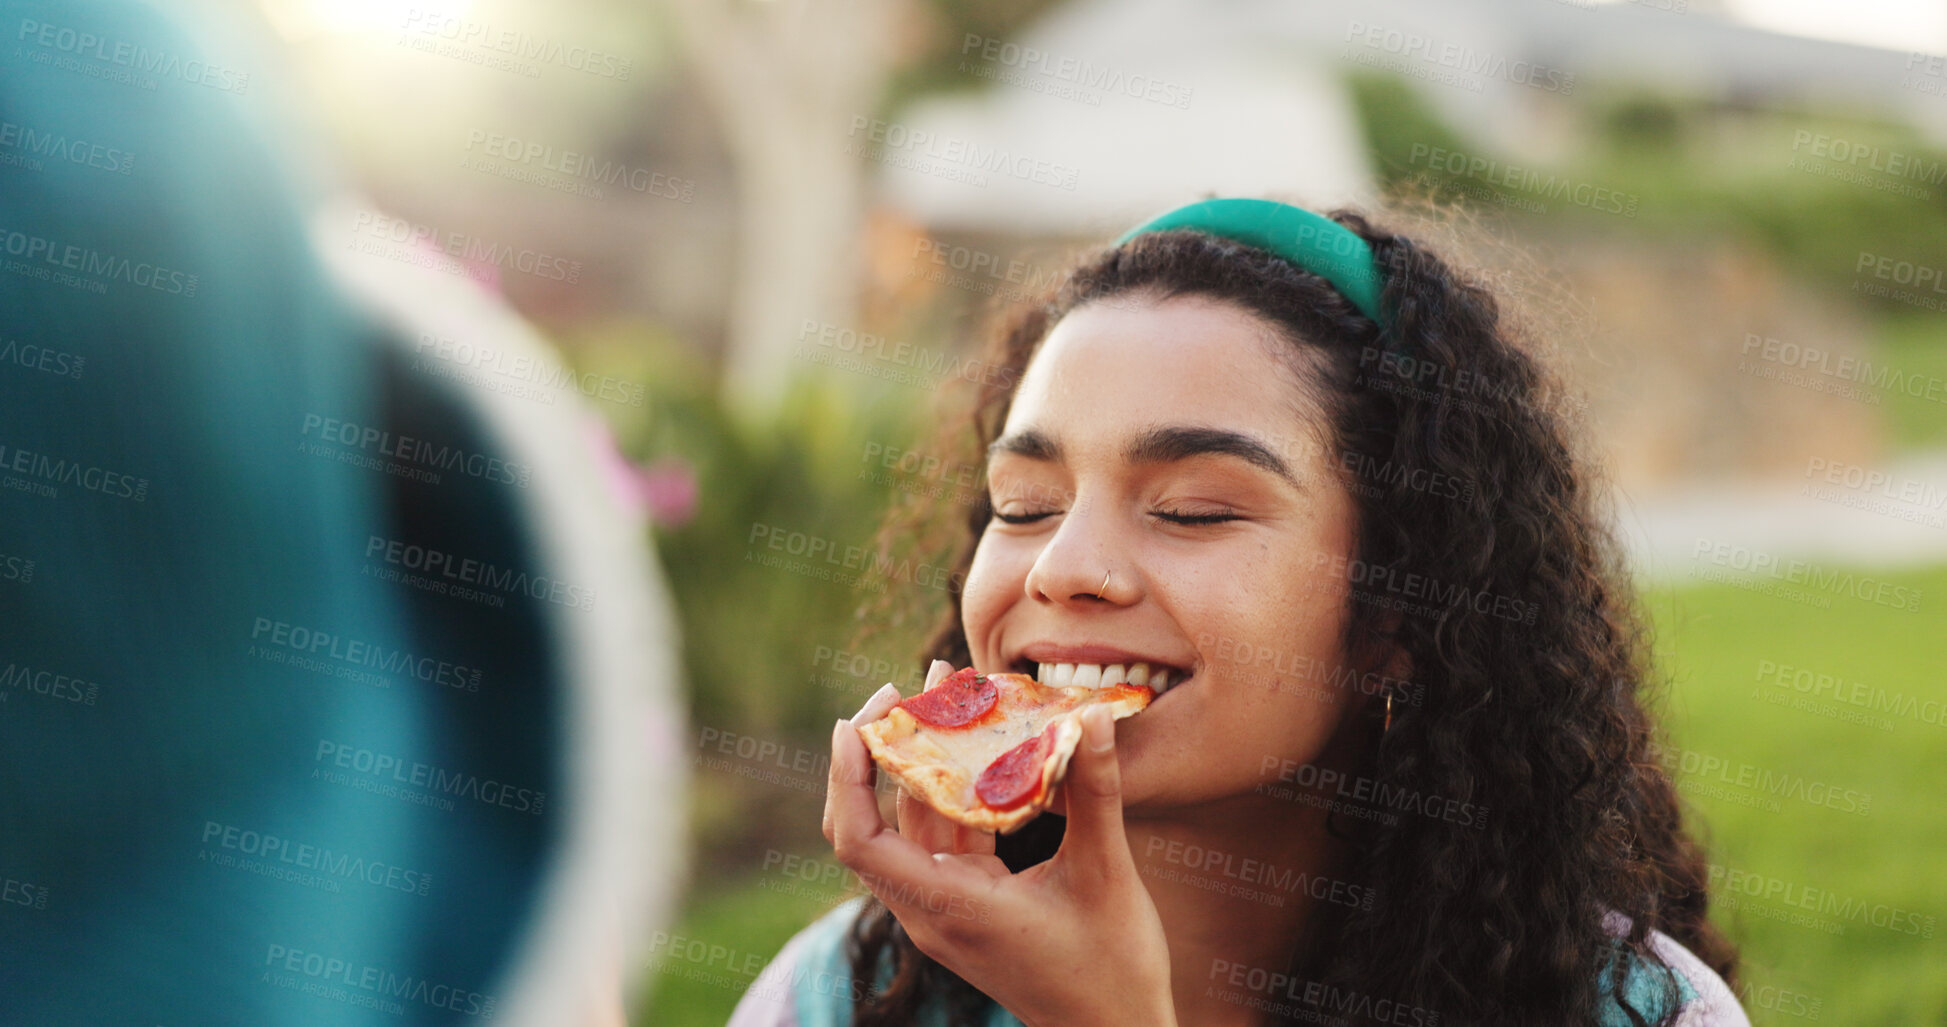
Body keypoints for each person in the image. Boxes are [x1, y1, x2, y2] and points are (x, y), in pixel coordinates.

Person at [729, 198, 1748, 1026]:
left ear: (1400, 607)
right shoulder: (838, 1000)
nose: (1066, 566)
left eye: (1192, 509)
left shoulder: (1637, 1015)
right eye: (1024, 505)